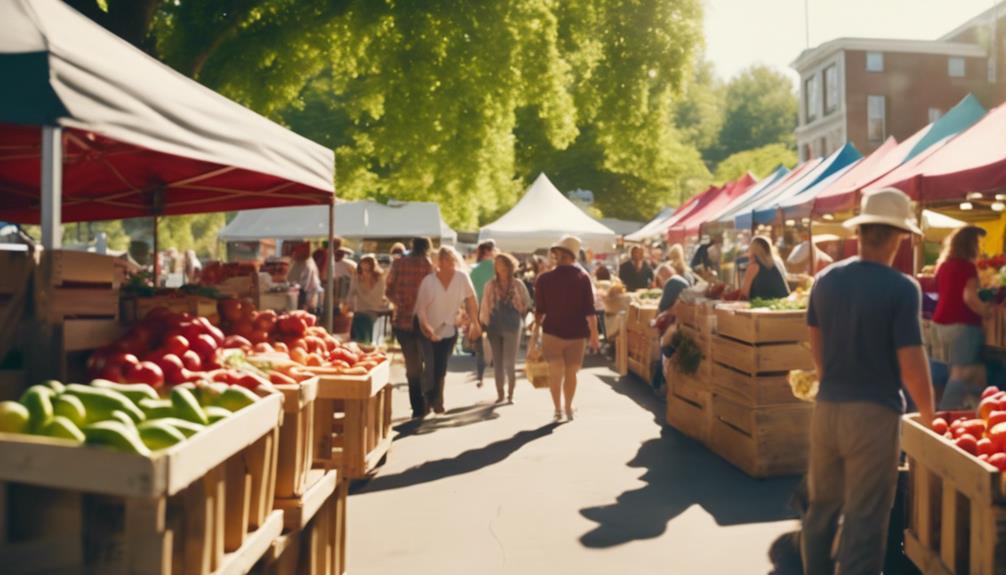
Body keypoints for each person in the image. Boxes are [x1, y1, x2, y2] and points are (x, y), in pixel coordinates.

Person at [801, 188, 935, 575]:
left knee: (821, 511)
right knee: (865, 520)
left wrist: (833, 383)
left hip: (827, 408)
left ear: (859, 233)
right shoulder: (902, 288)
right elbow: (911, 362)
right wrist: (929, 416)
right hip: (874, 414)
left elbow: (816, 342)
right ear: (898, 237)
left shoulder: (824, 280)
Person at [535, 235, 601, 421]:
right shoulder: (583, 278)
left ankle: (557, 409)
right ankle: (568, 407)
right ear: (573, 257)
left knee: (556, 372)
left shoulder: (543, 279)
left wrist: (533, 335)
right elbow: (590, 310)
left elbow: (539, 311)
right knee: (571, 373)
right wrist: (594, 335)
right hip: (576, 334)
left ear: (558, 256)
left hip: (552, 332)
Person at [415, 246, 481, 414]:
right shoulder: (428, 281)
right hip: (426, 328)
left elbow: (471, 300)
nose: (448, 262)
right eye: (444, 259)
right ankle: (427, 399)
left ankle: (437, 400)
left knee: (441, 365)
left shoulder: (461, 278)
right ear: (439, 262)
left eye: (451, 259)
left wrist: (475, 322)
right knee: (429, 365)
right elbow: (421, 309)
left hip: (448, 328)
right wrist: (427, 328)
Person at [932, 226, 991, 409]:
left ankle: (977, 411)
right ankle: (943, 417)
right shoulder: (967, 267)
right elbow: (969, 298)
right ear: (970, 245)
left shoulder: (943, 266)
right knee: (961, 373)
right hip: (963, 325)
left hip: (940, 325)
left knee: (978, 372)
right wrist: (987, 311)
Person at [386, 237, 435, 418]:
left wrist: (399, 302)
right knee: (426, 362)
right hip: (424, 320)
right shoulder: (428, 266)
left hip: (403, 320)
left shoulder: (399, 264)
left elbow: (388, 289)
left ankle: (417, 407)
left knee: (412, 365)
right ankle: (426, 401)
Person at [480, 253, 532, 404]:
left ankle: (510, 394)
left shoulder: (518, 284)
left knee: (509, 362)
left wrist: (519, 315)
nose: (499, 266)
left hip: (512, 324)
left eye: (502, 263)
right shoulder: (490, 284)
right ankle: (500, 394)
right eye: (497, 263)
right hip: (494, 324)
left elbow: (527, 303)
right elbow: (485, 305)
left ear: (510, 266)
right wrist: (483, 323)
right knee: (497, 362)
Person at [469, 240, 498, 387]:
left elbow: (470, 293)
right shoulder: (497, 268)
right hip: (494, 309)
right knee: (495, 341)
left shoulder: (474, 269)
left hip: (478, 309)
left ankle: (480, 375)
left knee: (479, 345)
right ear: (490, 251)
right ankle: (494, 366)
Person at [348, 255, 388, 344]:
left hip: (373, 312)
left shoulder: (379, 280)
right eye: (362, 270)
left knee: (366, 323)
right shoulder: (357, 278)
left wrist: (366, 283)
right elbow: (350, 294)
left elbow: (376, 298)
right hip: (360, 311)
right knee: (359, 325)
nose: (364, 273)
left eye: (367, 270)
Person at [741, 236, 790, 301]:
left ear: (753, 249)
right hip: (782, 303)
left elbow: (744, 293)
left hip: (761, 307)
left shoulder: (754, 266)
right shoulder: (777, 262)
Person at [657, 244, 695, 313]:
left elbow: (663, 307)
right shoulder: (688, 271)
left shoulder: (669, 271)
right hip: (685, 309)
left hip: (673, 310)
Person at [287, 243, 321, 311]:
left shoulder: (308, 264)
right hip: (295, 292)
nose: (294, 253)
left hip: (303, 295)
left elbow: (304, 286)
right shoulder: (296, 262)